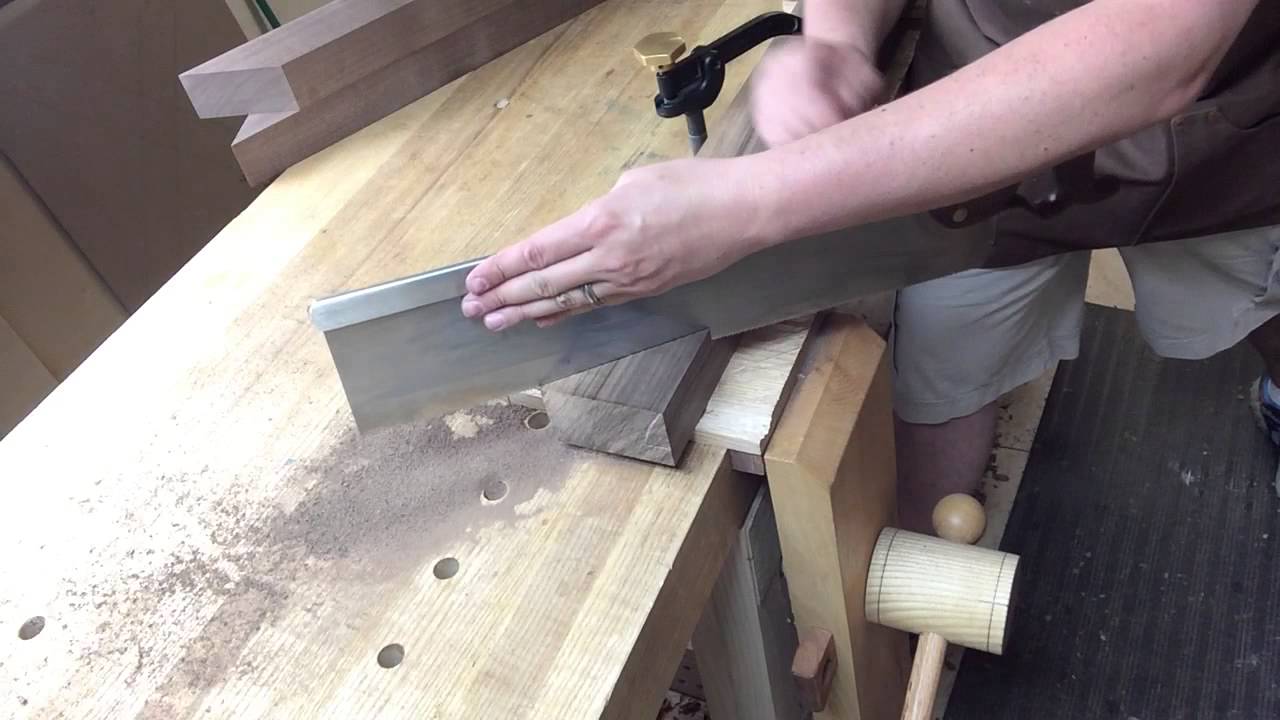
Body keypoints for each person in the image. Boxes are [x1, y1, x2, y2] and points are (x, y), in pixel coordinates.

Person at [458, 0, 1280, 532]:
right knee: (941, 397)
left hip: (1229, 114)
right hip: (970, 117)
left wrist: (751, 201)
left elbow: (1164, 41)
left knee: (1261, 302)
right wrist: (838, 38)